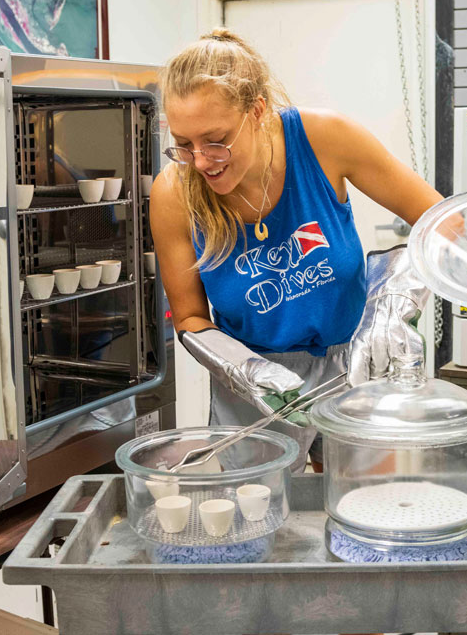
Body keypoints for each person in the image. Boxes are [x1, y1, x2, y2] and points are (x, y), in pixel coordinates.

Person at [150, 29, 442, 472]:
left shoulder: (324, 138)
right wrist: (247, 372)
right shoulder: (174, 193)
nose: (202, 161)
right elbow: (190, 317)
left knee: (370, 508)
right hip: (255, 385)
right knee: (261, 519)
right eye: (184, 145)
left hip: (357, 366)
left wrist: (392, 304)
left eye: (216, 139)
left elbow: (443, 221)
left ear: (258, 110)